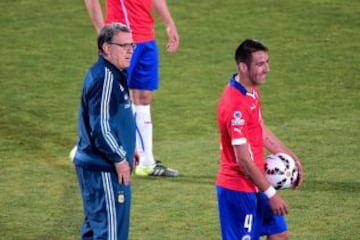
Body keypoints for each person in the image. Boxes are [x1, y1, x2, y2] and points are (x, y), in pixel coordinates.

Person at [216, 39, 304, 240]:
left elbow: (259, 130)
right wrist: (272, 194)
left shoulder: (251, 90)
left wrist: (292, 159)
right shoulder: (235, 105)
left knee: (279, 235)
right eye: (260, 64)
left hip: (258, 182)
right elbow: (243, 160)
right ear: (243, 67)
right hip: (238, 189)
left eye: (267, 62)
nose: (267, 69)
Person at [84, 0, 180, 177]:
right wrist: (103, 33)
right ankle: (87, 146)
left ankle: (146, 162)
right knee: (111, 97)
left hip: (146, 39)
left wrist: (169, 23)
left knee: (143, 97)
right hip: (121, 41)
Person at [73, 23, 138, 240]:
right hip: (104, 169)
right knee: (110, 234)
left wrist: (130, 147)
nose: (130, 50)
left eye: (132, 45)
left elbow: (114, 120)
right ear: (106, 48)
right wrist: (120, 158)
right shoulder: (105, 79)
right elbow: (101, 128)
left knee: (95, 230)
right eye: (124, 45)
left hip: (98, 166)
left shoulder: (112, 73)